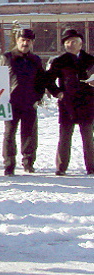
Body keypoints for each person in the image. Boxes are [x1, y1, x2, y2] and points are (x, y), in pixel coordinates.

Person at [0, 29, 46, 176]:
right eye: (22, 40)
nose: (25, 43)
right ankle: (9, 164)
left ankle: (28, 162)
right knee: (9, 134)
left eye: (28, 41)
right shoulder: (6, 58)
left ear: (32, 43)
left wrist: (38, 97)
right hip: (11, 103)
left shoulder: (35, 60)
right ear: (17, 40)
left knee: (30, 135)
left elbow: (41, 80)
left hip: (29, 103)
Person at [46, 29, 94, 176]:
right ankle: (61, 167)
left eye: (73, 41)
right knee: (65, 137)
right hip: (67, 104)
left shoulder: (90, 60)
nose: (70, 44)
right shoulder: (60, 61)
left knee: (88, 138)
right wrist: (58, 93)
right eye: (67, 42)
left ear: (81, 43)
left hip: (87, 103)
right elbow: (48, 80)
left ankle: (91, 167)